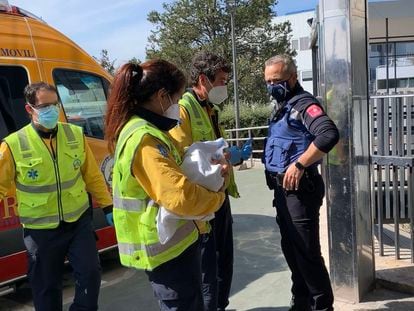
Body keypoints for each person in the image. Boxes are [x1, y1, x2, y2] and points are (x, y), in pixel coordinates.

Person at [105, 59, 228, 311]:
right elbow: (179, 196)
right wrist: (217, 197)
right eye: (177, 97)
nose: (178, 105)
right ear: (162, 96)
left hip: (174, 243)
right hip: (165, 249)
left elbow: (173, 176)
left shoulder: (150, 131)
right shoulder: (144, 138)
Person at [0, 82, 113, 311]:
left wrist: (109, 206)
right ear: (29, 109)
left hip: (78, 222)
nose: (51, 110)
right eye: (44, 106)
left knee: (91, 275)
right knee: (46, 288)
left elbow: (91, 175)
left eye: (54, 104)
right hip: (40, 231)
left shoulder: (74, 134)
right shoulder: (13, 144)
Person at [169, 51, 251, 311]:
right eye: (222, 80)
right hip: (202, 202)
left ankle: (220, 306)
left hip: (219, 195)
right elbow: (184, 158)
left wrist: (230, 156)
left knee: (224, 261)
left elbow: (213, 147)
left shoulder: (209, 109)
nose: (224, 86)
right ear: (203, 80)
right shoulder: (184, 110)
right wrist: (221, 159)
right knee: (207, 269)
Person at [263, 55, 339, 311]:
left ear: (292, 78)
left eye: (277, 80)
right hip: (283, 192)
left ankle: (322, 306)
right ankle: (302, 302)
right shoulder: (282, 106)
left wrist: (299, 164)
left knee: (307, 255)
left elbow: (328, 134)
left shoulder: (304, 105)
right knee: (293, 252)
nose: (272, 85)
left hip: (300, 191)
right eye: (268, 81)